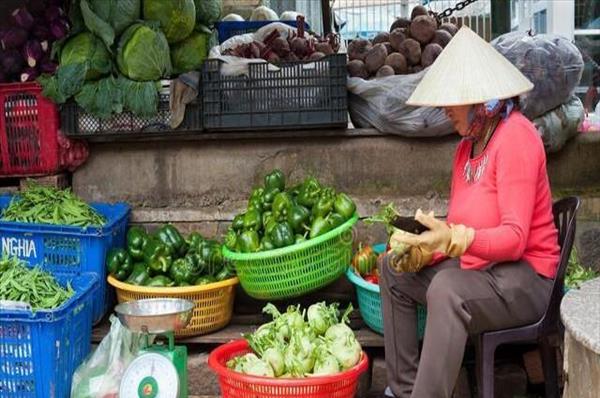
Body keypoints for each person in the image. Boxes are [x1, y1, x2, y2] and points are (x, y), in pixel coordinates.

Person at [379, 26, 560, 398]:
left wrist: (457, 239)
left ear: (481, 100)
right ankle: (404, 389)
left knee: (448, 289)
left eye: (453, 99)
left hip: (528, 280)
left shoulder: (517, 138)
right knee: (392, 268)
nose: (444, 109)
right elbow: (465, 225)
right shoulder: (466, 149)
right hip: (484, 272)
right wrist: (430, 247)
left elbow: (514, 240)